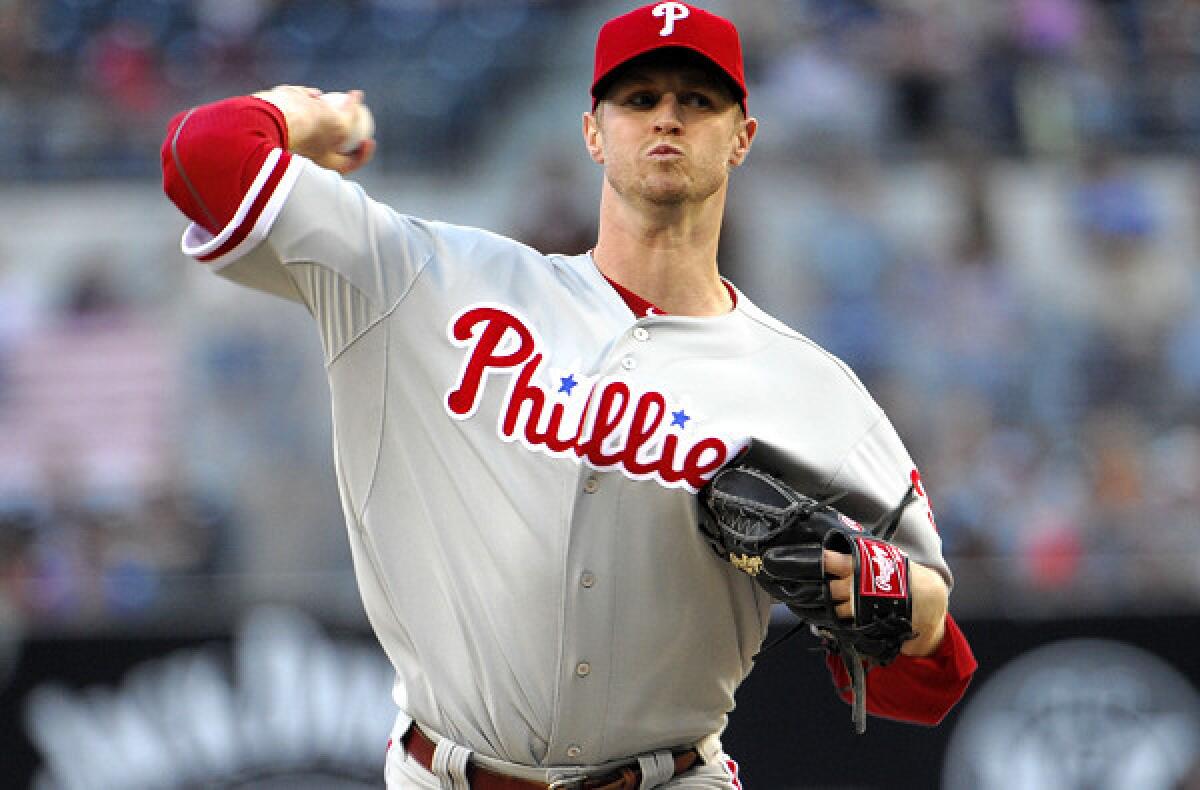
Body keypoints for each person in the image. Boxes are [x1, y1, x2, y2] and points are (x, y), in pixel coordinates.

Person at [161, 3, 977, 788]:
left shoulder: (811, 391)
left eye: (698, 100)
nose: (667, 118)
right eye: (639, 98)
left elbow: (929, 677)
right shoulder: (426, 281)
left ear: (742, 139)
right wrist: (307, 114)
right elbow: (200, 160)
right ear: (591, 130)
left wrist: (910, 606)